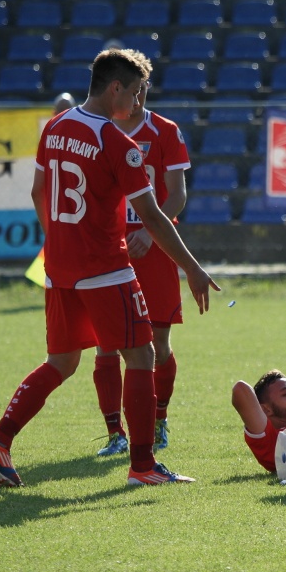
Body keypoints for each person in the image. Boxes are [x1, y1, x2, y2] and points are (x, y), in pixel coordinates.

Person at [0, 49, 220, 487]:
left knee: (61, 361)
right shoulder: (116, 143)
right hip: (106, 266)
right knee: (142, 353)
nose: (138, 102)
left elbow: (37, 192)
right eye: (136, 91)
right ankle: (143, 466)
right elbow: (153, 217)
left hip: (59, 267)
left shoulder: (55, 127)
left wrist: (61, 239)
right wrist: (194, 269)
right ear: (116, 88)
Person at [91, 49, 191, 458]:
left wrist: (152, 232)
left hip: (154, 248)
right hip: (110, 249)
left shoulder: (165, 131)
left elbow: (179, 194)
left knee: (157, 342)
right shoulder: (98, 130)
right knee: (106, 344)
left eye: (145, 89)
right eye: (136, 89)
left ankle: (159, 421)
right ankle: (115, 434)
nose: (140, 96)